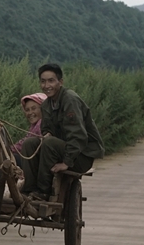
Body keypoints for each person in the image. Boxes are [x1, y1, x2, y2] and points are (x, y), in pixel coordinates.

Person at [18, 64, 103, 199]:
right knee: (29, 143)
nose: (47, 85)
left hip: (80, 156)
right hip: (61, 150)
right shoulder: (46, 104)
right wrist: (47, 134)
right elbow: (46, 129)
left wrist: (66, 162)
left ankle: (43, 191)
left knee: (49, 142)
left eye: (51, 80)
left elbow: (78, 135)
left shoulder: (70, 99)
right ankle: (28, 189)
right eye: (43, 81)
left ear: (60, 82)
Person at [12, 92, 47, 159]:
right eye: (27, 110)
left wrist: (9, 149)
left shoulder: (42, 124)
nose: (30, 113)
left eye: (34, 108)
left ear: (43, 109)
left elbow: (23, 145)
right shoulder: (34, 126)